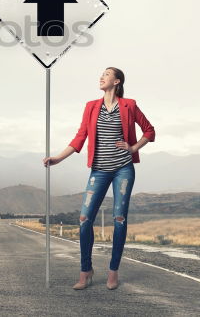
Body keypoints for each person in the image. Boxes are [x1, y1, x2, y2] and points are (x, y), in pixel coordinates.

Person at [42, 66, 156, 291]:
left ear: (117, 81)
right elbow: (80, 137)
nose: (101, 77)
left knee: (119, 219)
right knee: (85, 219)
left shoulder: (129, 105)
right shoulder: (91, 107)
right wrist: (57, 159)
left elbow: (150, 131)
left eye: (106, 74)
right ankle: (86, 271)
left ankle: (113, 271)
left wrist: (133, 147)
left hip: (123, 169)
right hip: (99, 170)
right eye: (101, 74)